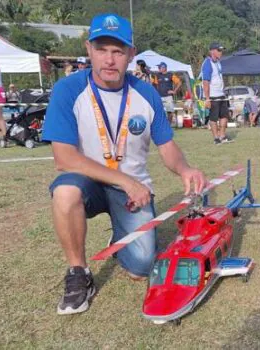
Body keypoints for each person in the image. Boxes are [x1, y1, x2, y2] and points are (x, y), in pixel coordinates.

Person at [42, 13, 206, 315]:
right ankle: (79, 273)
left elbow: (167, 146)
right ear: (89, 49)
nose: (109, 59)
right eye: (102, 49)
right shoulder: (68, 90)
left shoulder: (145, 93)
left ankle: (121, 231)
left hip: (132, 191)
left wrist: (184, 169)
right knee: (65, 193)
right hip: (87, 182)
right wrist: (124, 181)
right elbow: (64, 158)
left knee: (142, 268)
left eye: (118, 51)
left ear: (131, 54)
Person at [200, 42, 232, 145]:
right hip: (212, 96)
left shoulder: (218, 62)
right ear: (212, 51)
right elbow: (205, 82)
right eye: (219, 50)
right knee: (213, 118)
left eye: (221, 50)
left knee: (225, 116)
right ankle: (216, 138)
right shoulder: (207, 63)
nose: (221, 52)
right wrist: (207, 98)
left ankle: (222, 135)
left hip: (221, 94)